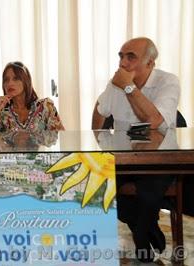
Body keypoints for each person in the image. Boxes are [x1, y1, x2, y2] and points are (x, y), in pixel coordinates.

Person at [91, 37, 180, 262]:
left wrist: (129, 87)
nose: (123, 62)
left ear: (150, 63)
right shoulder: (116, 83)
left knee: (149, 189)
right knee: (98, 188)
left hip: (160, 159)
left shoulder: (167, 82)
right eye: (121, 56)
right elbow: (101, 109)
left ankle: (141, 235)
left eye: (131, 57)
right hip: (122, 158)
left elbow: (154, 120)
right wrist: (96, 136)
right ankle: (147, 227)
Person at [0, 61, 65, 133]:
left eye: (16, 78)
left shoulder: (45, 107)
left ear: (26, 81)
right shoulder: (2, 114)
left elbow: (62, 138)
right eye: (6, 80)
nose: (10, 83)